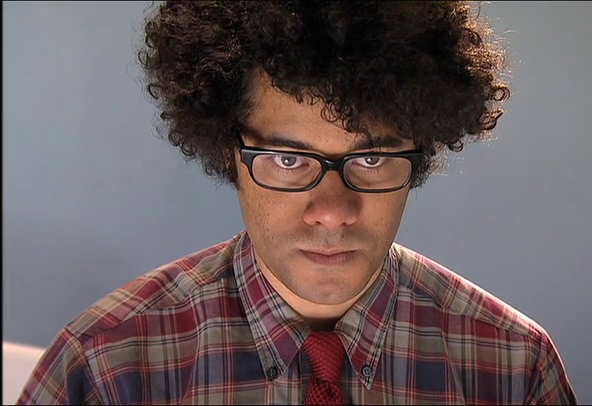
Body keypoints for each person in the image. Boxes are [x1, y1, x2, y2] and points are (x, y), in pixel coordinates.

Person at [17, 1, 577, 405]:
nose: (332, 210)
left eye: (371, 158)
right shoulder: (106, 365)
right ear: (232, 154)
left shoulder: (514, 366)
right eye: (289, 160)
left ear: (420, 154)